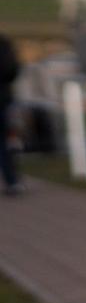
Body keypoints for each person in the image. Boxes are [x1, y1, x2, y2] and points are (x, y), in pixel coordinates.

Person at [0, 33, 21, 195]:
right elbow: (13, 70)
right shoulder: (4, 43)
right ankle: (12, 181)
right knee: (4, 142)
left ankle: (12, 181)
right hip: (3, 98)